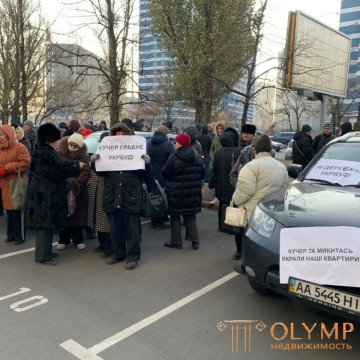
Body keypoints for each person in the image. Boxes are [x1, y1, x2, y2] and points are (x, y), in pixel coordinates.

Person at [92, 123, 155, 270]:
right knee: (115, 228)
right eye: (116, 134)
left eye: (122, 134)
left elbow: (148, 178)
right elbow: (101, 174)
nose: (119, 137)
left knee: (132, 230)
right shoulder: (108, 152)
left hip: (131, 196)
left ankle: (133, 257)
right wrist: (94, 163)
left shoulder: (136, 153)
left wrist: (147, 164)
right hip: (112, 195)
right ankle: (117, 253)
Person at [25, 123, 87, 265]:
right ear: (50, 139)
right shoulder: (45, 152)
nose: (59, 142)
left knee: (47, 225)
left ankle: (46, 252)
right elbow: (57, 170)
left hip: (44, 194)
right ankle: (42, 256)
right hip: (44, 196)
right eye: (57, 140)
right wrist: (77, 166)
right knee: (44, 226)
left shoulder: (43, 150)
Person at [231, 135, 288, 271]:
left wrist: (235, 201)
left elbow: (245, 190)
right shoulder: (282, 167)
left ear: (254, 150)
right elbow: (284, 189)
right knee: (264, 241)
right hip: (271, 210)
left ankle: (247, 266)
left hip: (252, 210)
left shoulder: (251, 167)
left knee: (249, 238)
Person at [162, 133, 205, 250]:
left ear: (180, 143)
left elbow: (166, 173)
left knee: (175, 216)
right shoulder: (197, 156)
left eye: (176, 142)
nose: (175, 143)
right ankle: (195, 241)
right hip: (192, 192)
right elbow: (202, 174)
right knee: (190, 216)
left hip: (176, 192)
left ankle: (176, 242)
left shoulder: (173, 157)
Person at [56, 133, 90, 251]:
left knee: (77, 216)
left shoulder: (84, 156)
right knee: (64, 215)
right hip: (63, 188)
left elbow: (86, 172)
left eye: (75, 146)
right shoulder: (60, 154)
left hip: (78, 190)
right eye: (71, 144)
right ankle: (63, 239)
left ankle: (78, 239)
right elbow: (57, 168)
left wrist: (77, 183)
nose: (72, 147)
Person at [0, 124, 31, 245]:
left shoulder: (20, 147)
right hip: (5, 183)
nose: (0, 137)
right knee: (9, 210)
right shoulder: (1, 148)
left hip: (16, 182)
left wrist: (7, 168)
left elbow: (25, 163)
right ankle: (11, 234)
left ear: (8, 135)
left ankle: (20, 236)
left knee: (17, 209)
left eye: (2, 135)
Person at [209, 131, 240, 234]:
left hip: (220, 183)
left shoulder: (218, 152)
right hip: (232, 183)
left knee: (222, 204)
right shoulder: (237, 151)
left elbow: (215, 170)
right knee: (233, 204)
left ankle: (221, 225)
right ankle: (232, 226)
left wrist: (212, 183)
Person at [87, 132, 112, 258]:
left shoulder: (113, 154)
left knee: (104, 221)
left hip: (105, 189)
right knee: (97, 219)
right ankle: (101, 244)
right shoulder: (98, 152)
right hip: (95, 188)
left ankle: (108, 247)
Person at [147, 125, 175, 229]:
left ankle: (154, 219)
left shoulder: (149, 143)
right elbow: (173, 158)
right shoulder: (168, 144)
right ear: (165, 134)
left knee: (153, 197)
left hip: (151, 174)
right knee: (162, 197)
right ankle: (159, 221)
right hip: (163, 174)